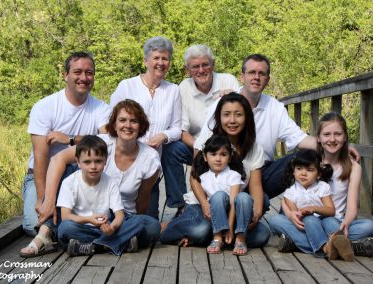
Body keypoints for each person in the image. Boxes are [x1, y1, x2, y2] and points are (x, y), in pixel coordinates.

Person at [194, 54, 360, 201]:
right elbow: (201, 147)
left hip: (262, 174)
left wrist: (336, 145)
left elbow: (300, 139)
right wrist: (200, 194)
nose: (256, 77)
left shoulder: (275, 107)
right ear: (242, 76)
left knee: (305, 157)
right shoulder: (223, 103)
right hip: (222, 172)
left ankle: (303, 209)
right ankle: (246, 205)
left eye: (262, 74)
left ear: (267, 80)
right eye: (252, 72)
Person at [23, 100, 162, 256]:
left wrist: (123, 225)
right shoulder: (102, 144)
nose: (127, 125)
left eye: (134, 121)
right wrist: (48, 200)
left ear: (141, 126)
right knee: (65, 229)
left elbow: (142, 202)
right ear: (114, 125)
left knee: (151, 226)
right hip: (89, 218)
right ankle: (120, 242)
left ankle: (94, 246)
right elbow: (57, 159)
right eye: (122, 120)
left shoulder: (150, 158)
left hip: (122, 218)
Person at [161, 94, 270, 253]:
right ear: (219, 117)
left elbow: (255, 186)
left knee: (262, 235)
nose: (232, 120)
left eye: (238, 114)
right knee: (200, 230)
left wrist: (258, 211)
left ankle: (220, 235)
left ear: (247, 118)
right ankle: (173, 228)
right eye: (226, 114)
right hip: (203, 204)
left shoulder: (254, 148)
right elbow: (195, 178)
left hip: (232, 205)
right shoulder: (207, 140)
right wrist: (205, 204)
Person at [22, 51, 111, 237]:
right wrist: (43, 199)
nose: (84, 78)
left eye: (89, 73)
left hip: (80, 175)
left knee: (55, 223)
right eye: (78, 72)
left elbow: (107, 139)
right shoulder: (45, 107)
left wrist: (71, 139)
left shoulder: (101, 108)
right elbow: (40, 158)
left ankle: (66, 227)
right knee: (33, 225)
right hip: (42, 175)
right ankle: (68, 227)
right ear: (66, 75)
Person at [269, 112, 373, 258]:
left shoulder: (353, 168)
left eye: (338, 134)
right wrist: (290, 214)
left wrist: (345, 223)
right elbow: (290, 195)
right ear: (318, 138)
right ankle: (348, 246)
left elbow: (352, 207)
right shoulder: (309, 162)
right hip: (307, 220)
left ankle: (301, 243)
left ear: (345, 137)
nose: (332, 139)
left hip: (334, 221)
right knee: (275, 221)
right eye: (327, 134)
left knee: (369, 226)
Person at [21, 136, 143, 257]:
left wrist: (112, 227)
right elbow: (65, 216)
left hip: (105, 228)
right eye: (87, 162)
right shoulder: (70, 182)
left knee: (141, 222)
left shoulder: (110, 182)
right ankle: (115, 243)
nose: (93, 166)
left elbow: (119, 214)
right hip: (81, 227)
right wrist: (89, 219)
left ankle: (93, 247)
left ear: (105, 161)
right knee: (65, 228)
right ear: (78, 162)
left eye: (98, 161)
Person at [161, 44, 240, 215]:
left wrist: (233, 94)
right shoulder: (184, 87)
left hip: (227, 147)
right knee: (170, 149)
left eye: (205, 64)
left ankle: (232, 200)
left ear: (214, 65)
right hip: (197, 146)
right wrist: (201, 147)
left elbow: (242, 114)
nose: (201, 70)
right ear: (187, 70)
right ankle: (181, 204)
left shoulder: (228, 80)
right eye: (195, 66)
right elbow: (181, 130)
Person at [110, 36, 181, 219]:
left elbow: (177, 127)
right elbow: (111, 123)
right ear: (146, 60)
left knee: (149, 223)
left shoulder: (173, 90)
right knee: (111, 215)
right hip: (122, 162)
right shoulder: (127, 86)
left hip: (150, 168)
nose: (161, 63)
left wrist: (163, 136)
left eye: (165, 58)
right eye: (156, 58)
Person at [272, 149, 355, 261]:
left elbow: (331, 211)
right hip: (306, 225)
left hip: (325, 221)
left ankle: (334, 244)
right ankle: (329, 248)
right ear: (293, 171)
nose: (303, 173)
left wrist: (315, 208)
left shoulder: (322, 187)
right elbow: (296, 215)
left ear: (318, 174)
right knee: (280, 220)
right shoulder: (290, 192)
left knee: (331, 221)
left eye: (309, 170)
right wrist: (302, 213)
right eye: (299, 169)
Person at [190, 135, 246, 255]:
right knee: (199, 229)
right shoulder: (202, 178)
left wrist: (230, 228)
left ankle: (234, 237)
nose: (218, 159)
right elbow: (203, 203)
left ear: (230, 157)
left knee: (262, 235)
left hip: (231, 214)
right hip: (212, 217)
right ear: (205, 157)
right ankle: (217, 238)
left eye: (223, 154)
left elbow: (233, 203)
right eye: (213, 154)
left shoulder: (234, 175)